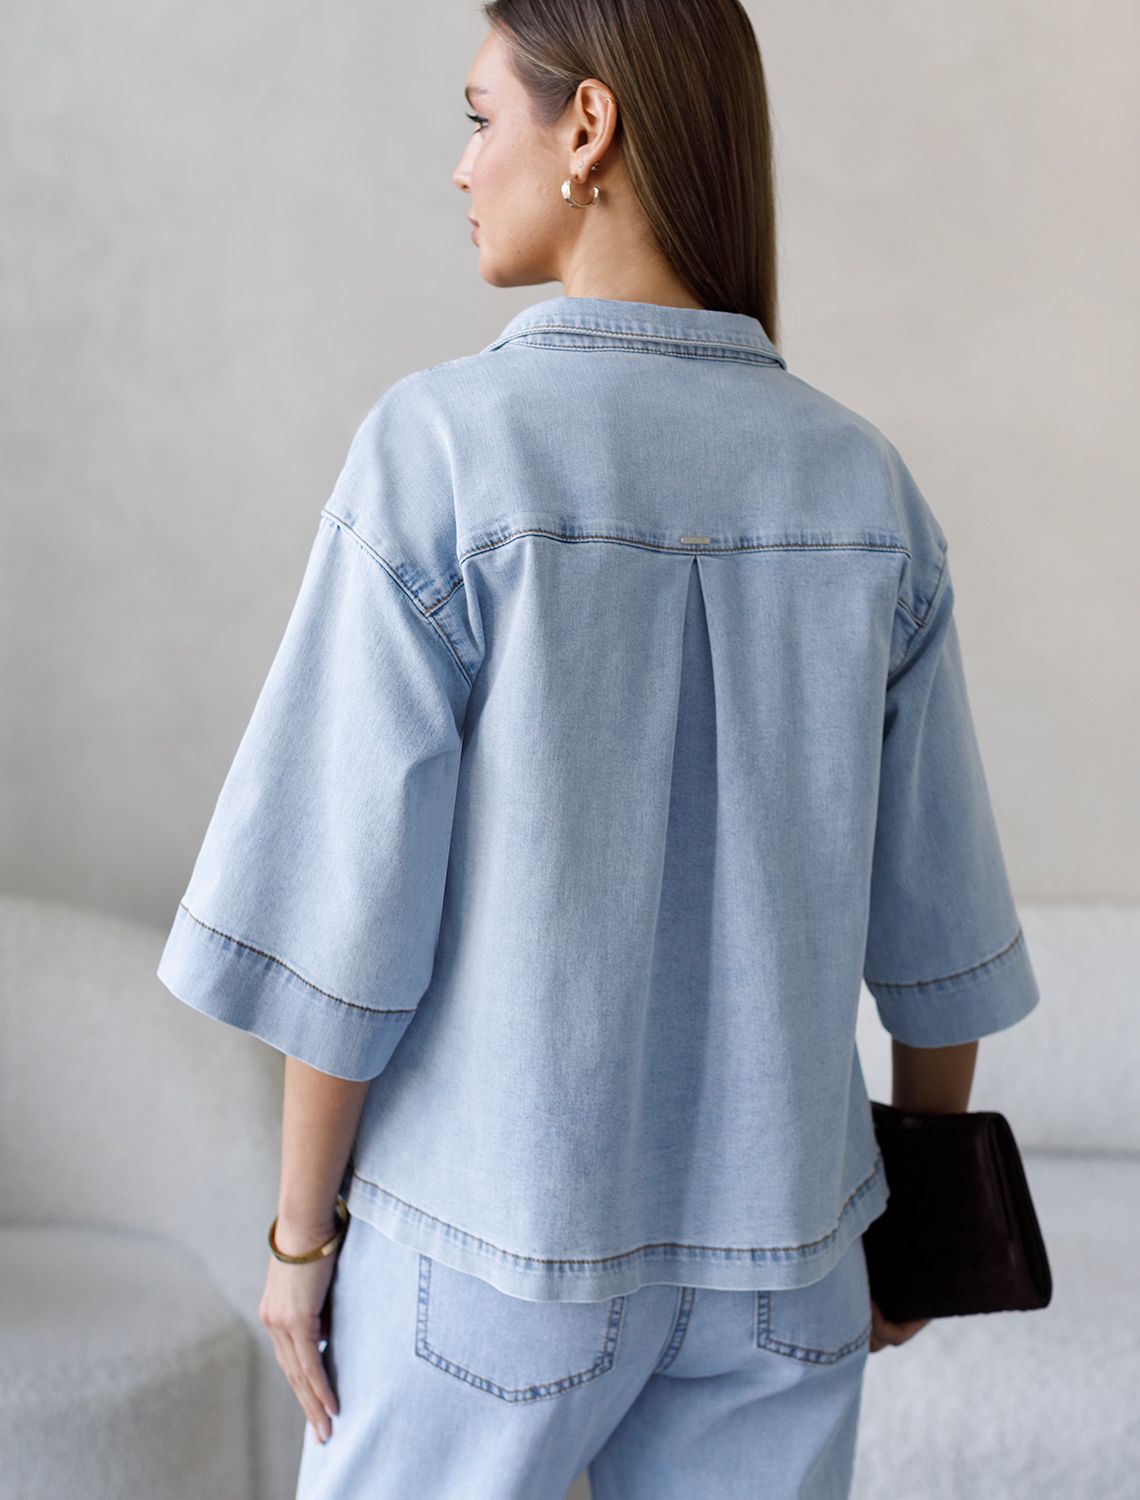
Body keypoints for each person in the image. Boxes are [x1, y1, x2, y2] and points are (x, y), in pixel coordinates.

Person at [155, 3, 1041, 1497]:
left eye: (479, 115)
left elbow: (343, 917)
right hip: (788, 1264)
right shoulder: (866, 488)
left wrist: (302, 1242)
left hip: (487, 1253)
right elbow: (939, 936)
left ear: (588, 126)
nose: (460, 165)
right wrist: (917, 1229)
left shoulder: (444, 450)